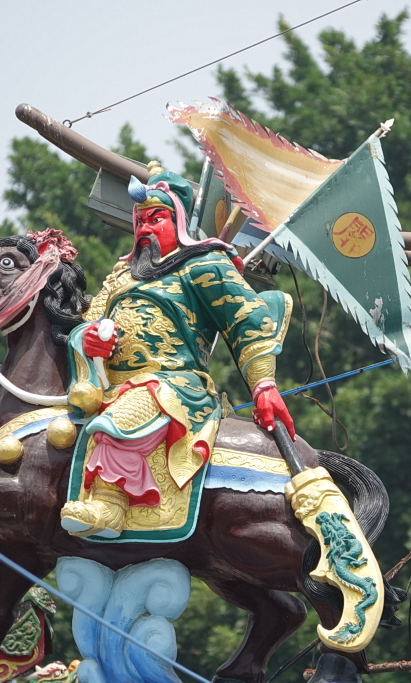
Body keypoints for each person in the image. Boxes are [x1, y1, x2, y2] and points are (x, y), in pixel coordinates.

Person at [60, 161, 294, 538]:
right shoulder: (120, 276)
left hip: (170, 383)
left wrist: (263, 385)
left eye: (156, 219)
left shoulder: (203, 263)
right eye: (139, 222)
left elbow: (247, 319)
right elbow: (89, 319)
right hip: (102, 384)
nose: (145, 229)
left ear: (180, 221)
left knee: (126, 413)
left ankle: (110, 506)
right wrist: (88, 339)